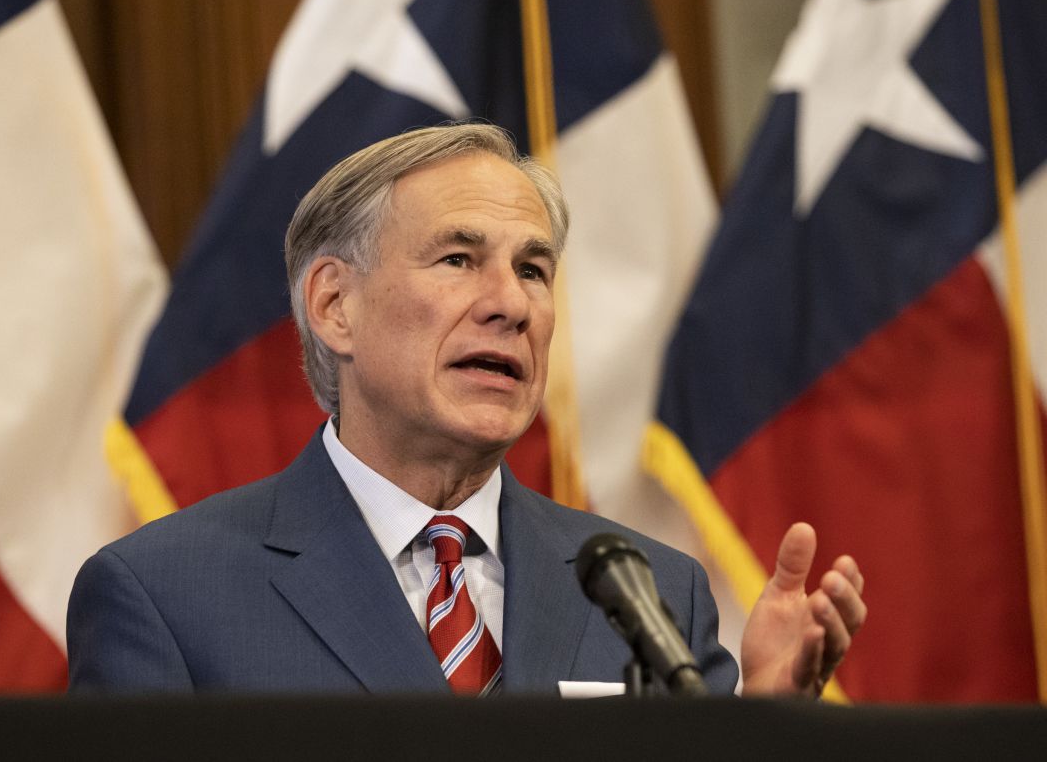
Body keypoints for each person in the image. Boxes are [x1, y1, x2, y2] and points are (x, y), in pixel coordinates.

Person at [67, 124, 865, 695]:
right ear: (335, 305)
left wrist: (762, 730)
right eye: (458, 259)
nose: (510, 304)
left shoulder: (653, 592)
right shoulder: (166, 595)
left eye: (534, 269)